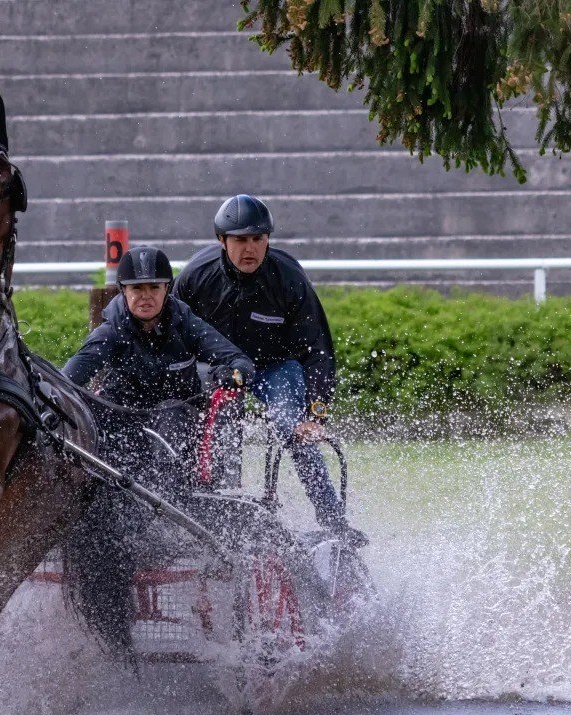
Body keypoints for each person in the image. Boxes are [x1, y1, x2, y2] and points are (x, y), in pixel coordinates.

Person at [174, 194, 363, 543]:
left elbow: (317, 350)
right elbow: (174, 338)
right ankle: (208, 508)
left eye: (258, 239)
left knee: (292, 426)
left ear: (268, 240)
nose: (250, 249)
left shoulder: (290, 279)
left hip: (274, 368)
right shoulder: (195, 277)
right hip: (218, 370)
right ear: (221, 240)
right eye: (240, 240)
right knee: (205, 417)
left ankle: (333, 520)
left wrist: (316, 414)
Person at [63, 244, 255, 487]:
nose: (146, 296)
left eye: (154, 287)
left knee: (169, 412)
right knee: (96, 417)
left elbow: (239, 362)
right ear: (123, 291)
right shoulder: (110, 332)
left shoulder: (186, 323)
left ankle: (168, 499)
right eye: (137, 288)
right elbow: (67, 380)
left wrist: (233, 374)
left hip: (179, 419)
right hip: (124, 417)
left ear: (167, 289)